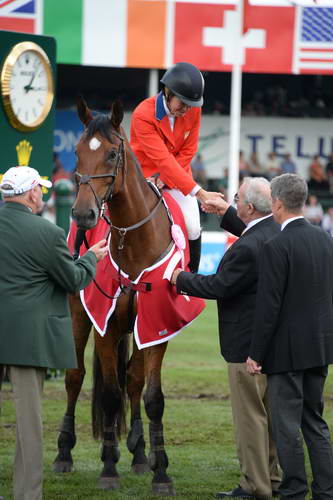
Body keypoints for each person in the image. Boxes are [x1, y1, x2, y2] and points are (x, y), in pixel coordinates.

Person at [0, 165, 108, 500]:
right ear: (32, 192)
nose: (42, 194)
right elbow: (73, 279)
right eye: (40, 189)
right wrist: (91, 258)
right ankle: (26, 494)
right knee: (28, 426)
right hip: (28, 338)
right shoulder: (46, 233)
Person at [171, 177, 281, 499]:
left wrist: (180, 278)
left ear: (248, 207)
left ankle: (254, 486)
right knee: (270, 419)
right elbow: (254, 228)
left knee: (250, 421)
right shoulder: (275, 231)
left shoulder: (247, 247)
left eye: (236, 199)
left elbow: (219, 286)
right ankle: (271, 481)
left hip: (245, 347)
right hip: (272, 343)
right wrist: (225, 213)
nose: (232, 202)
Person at [247, 174, 333, 500]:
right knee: (315, 422)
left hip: (287, 352)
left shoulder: (276, 245)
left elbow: (268, 308)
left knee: (286, 427)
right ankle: (326, 492)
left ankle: (295, 491)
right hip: (320, 346)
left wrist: (256, 353)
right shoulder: (326, 240)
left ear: (278, 204)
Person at [130, 61, 220, 273]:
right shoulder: (143, 114)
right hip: (145, 179)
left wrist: (167, 180)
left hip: (175, 179)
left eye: (191, 104)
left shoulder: (193, 111)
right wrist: (201, 193)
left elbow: (188, 151)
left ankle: (192, 281)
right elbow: (162, 160)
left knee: (192, 226)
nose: (187, 109)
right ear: (167, 92)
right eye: (183, 103)